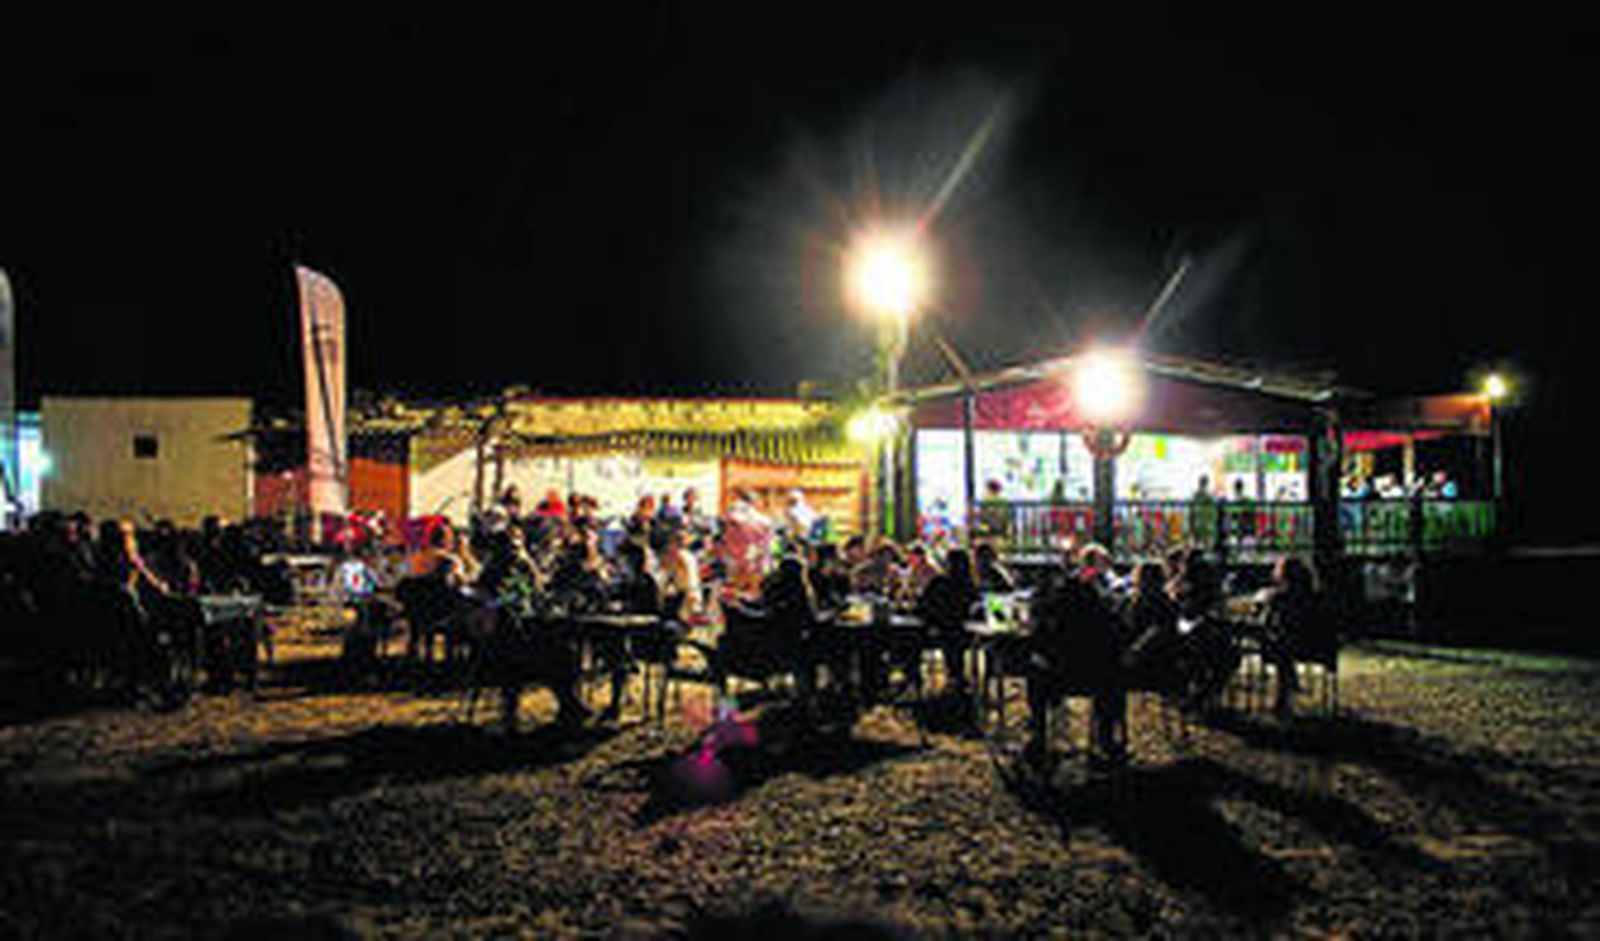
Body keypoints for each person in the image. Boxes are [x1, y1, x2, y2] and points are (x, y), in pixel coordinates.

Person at [1260, 556, 1330, 721]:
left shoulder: (1279, 598)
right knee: (1285, 646)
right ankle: (1290, 684)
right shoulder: (1317, 597)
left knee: (1281, 646)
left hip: (1285, 648)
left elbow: (1266, 622)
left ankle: (1284, 696)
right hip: (1315, 648)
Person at [916, 547, 979, 698]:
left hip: (938, 630)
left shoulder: (940, 583)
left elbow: (923, 604)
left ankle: (914, 678)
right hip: (962, 632)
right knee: (953, 639)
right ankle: (957, 678)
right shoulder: (970, 585)